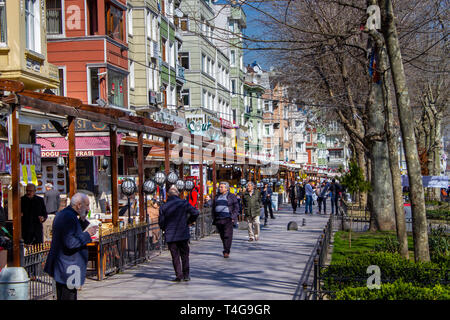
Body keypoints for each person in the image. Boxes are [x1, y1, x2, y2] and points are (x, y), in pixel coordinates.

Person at [44, 193, 98, 300]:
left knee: (68, 294)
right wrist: (88, 234)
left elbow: (72, 233)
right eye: (86, 205)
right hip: (67, 266)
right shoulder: (68, 217)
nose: (88, 208)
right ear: (79, 205)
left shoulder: (67, 214)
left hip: (66, 266)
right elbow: (70, 242)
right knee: (68, 296)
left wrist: (82, 220)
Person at [159, 186, 199, 282]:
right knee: (185, 255)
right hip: (182, 232)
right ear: (178, 194)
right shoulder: (184, 203)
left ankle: (179, 275)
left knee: (175, 256)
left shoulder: (164, 206)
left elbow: (161, 222)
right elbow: (195, 212)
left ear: (168, 195)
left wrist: (165, 228)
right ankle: (186, 275)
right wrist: (189, 221)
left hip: (171, 234)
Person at [211, 182, 240, 258]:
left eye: (221, 187)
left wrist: (232, 217)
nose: (219, 188)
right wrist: (214, 217)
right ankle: (225, 247)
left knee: (227, 235)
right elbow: (213, 207)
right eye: (219, 187)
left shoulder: (231, 196)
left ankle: (226, 251)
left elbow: (236, 208)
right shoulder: (217, 196)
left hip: (228, 218)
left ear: (226, 188)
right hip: (219, 219)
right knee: (222, 235)